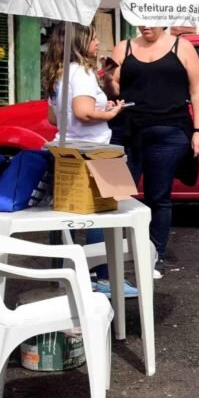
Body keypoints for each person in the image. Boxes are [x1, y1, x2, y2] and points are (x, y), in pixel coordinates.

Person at [102, 26, 199, 276]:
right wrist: (107, 79)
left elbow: (197, 91)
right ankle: (110, 259)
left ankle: (154, 257)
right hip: (127, 131)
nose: (146, 26)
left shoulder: (183, 47)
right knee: (115, 196)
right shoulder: (123, 47)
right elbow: (114, 92)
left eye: (151, 21)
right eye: (141, 21)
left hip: (170, 132)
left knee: (158, 197)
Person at [41, 24, 134, 297]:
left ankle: (63, 274)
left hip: (66, 149)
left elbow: (53, 118)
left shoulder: (58, 73)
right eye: (94, 38)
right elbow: (83, 112)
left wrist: (98, 107)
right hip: (95, 150)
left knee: (64, 216)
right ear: (80, 42)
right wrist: (111, 113)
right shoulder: (81, 72)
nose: (98, 43)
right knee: (103, 214)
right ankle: (103, 277)